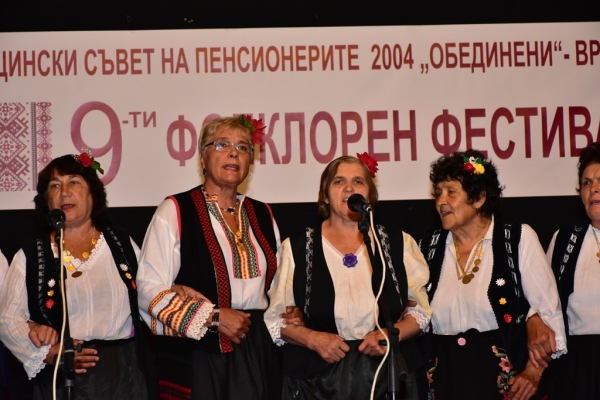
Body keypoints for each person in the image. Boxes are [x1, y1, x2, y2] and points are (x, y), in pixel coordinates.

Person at [137, 115, 298, 400]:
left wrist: (289, 313)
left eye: (243, 147)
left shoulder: (263, 213)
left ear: (249, 163)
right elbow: (148, 289)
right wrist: (212, 317)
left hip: (257, 352)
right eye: (222, 144)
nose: (234, 153)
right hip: (200, 352)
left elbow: (277, 290)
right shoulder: (176, 209)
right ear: (202, 158)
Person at [264, 154, 432, 400]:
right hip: (317, 384)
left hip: (388, 379)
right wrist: (313, 339)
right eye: (339, 181)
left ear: (369, 195)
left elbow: (421, 312)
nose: (349, 188)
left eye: (358, 181)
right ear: (325, 195)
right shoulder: (297, 248)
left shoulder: (398, 243)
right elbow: (275, 321)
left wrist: (390, 334)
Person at [419, 149, 566, 400]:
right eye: (438, 192)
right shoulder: (428, 245)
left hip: (502, 383)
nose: (441, 201)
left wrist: (533, 373)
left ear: (479, 198)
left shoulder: (517, 239)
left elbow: (549, 315)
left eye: (451, 191)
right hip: (444, 380)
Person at [0, 151, 147, 399]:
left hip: (122, 375)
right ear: (47, 200)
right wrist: (47, 354)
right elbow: (7, 319)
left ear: (93, 194)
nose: (64, 192)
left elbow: (149, 296)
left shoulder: (121, 243)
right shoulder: (31, 254)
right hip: (59, 377)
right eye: (54, 185)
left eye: (74, 182)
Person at [545, 142, 600, 399]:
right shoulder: (564, 239)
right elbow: (544, 303)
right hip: (576, 365)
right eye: (587, 182)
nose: (593, 188)